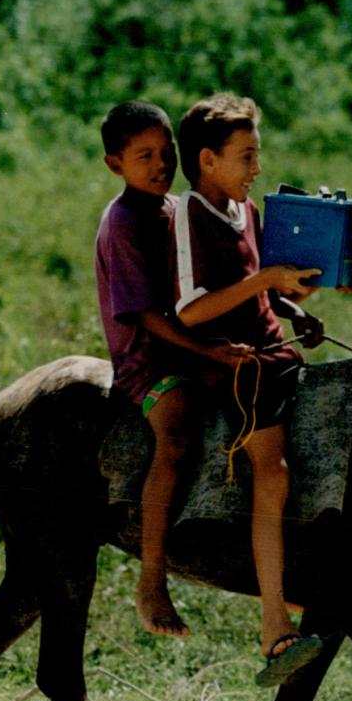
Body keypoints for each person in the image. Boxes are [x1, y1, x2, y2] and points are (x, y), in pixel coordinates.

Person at [170, 92, 341, 687]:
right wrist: (269, 281)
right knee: (275, 475)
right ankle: (273, 626)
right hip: (233, 366)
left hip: (274, 349)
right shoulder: (188, 215)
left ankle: (346, 596)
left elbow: (261, 291)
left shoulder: (246, 212)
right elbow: (191, 311)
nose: (256, 169)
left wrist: (296, 307)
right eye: (246, 157)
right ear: (208, 160)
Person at [95, 100, 249, 638]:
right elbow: (145, 316)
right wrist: (208, 353)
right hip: (149, 359)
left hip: (194, 344)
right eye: (144, 157)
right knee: (179, 436)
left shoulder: (178, 210)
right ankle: (152, 579)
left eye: (166, 154)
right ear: (115, 165)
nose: (161, 166)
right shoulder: (123, 223)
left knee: (265, 407)